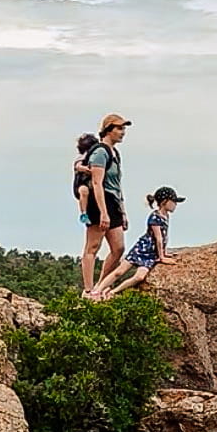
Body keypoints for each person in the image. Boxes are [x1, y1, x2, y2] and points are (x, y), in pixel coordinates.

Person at [92, 187, 182, 299]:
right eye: (173, 202)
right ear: (164, 202)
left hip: (151, 255)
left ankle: (113, 292)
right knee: (119, 272)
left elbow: (164, 237)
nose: (175, 205)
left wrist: (164, 251)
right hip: (142, 249)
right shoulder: (155, 217)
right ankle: (97, 291)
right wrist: (162, 257)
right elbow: (158, 238)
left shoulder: (166, 216)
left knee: (139, 277)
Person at [79, 113, 130, 296]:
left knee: (118, 248)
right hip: (99, 201)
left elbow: (117, 185)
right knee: (93, 246)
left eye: (123, 129)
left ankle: (100, 286)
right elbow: (96, 183)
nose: (122, 132)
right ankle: (88, 289)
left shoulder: (114, 153)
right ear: (108, 130)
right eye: (119, 128)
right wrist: (103, 212)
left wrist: (122, 212)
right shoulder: (100, 152)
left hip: (113, 201)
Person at [72, 131, 99, 221]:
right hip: (81, 183)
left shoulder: (96, 156)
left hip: (92, 183)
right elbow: (78, 166)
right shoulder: (82, 156)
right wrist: (85, 169)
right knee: (84, 191)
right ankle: (84, 213)